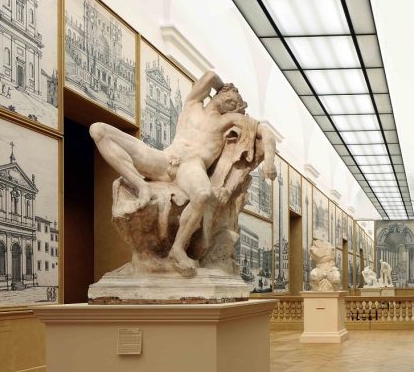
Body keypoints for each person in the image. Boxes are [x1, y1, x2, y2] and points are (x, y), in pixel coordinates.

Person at [90, 71, 276, 276]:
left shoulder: (228, 121)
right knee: (99, 130)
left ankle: (177, 248)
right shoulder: (192, 104)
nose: (231, 104)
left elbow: (266, 133)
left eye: (235, 103)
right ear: (217, 94)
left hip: (191, 166)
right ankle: (141, 185)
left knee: (203, 194)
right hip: (164, 159)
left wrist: (269, 161)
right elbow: (210, 76)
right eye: (229, 98)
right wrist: (224, 87)